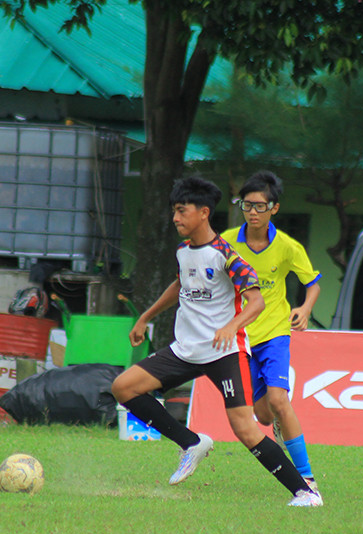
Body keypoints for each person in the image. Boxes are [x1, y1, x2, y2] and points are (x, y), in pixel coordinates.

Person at [111, 176, 322, 507]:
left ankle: (305, 492)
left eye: (182, 211)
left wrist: (231, 326)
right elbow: (180, 284)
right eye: (174, 211)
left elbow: (257, 301)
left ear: (204, 213)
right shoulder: (184, 251)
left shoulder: (226, 255)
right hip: (186, 351)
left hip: (224, 353)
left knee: (247, 429)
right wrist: (145, 317)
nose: (176, 218)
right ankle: (191, 443)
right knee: (124, 387)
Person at [222, 171, 322, 495]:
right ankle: (278, 423)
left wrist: (304, 310)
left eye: (259, 206)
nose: (252, 212)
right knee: (263, 415)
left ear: (274, 208)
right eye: (246, 205)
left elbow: (313, 284)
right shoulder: (225, 243)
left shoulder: (287, 247)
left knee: (280, 399)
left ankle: (306, 478)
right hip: (241, 338)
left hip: (276, 332)